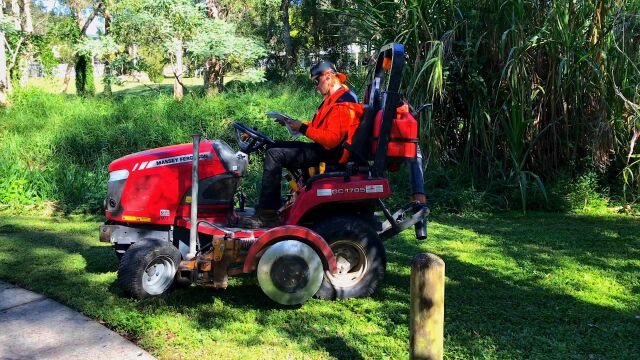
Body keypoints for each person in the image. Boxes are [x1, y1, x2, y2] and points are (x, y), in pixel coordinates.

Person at [239, 61, 362, 228]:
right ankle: (272, 204)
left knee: (274, 154)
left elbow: (332, 140)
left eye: (316, 81)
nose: (316, 87)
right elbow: (320, 128)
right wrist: (292, 123)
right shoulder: (333, 99)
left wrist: (302, 128)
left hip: (332, 154)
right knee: (272, 146)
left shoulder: (343, 102)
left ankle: (267, 215)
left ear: (328, 76)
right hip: (326, 149)